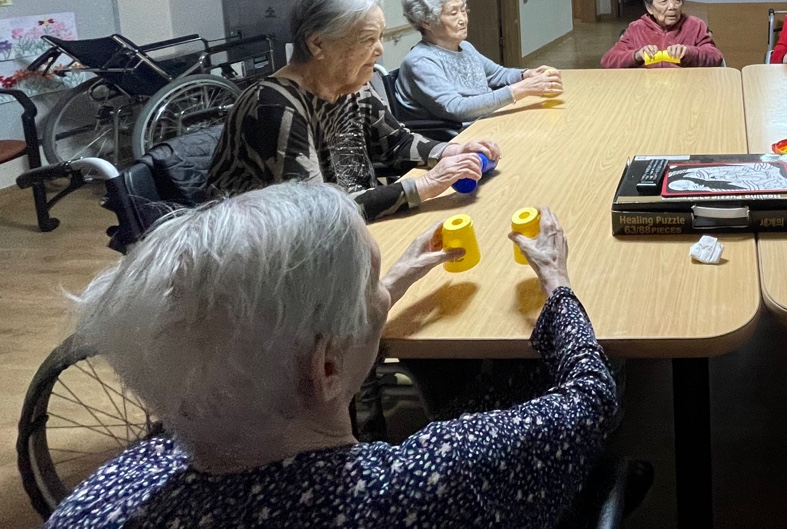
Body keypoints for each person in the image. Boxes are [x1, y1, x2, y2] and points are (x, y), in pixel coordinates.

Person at [47, 182, 619, 529]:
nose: (381, 293)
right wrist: (556, 281)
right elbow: (591, 395)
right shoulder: (423, 482)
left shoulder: (97, 500)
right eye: (371, 285)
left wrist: (382, 286)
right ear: (325, 368)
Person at [208, 0, 500, 220]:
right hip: (266, 252)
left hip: (351, 227)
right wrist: (426, 184)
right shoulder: (274, 106)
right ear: (318, 44)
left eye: (380, 37)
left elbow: (396, 143)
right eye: (367, 39)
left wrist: (451, 151)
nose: (380, 50)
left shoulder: (351, 85)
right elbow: (316, 211)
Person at [395, 0, 562, 125]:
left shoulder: (465, 47)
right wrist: (521, 89)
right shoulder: (420, 62)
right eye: (453, 13)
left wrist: (526, 75)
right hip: (461, 136)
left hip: (488, 122)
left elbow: (496, 74)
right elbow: (456, 108)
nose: (463, 19)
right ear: (426, 22)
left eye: (463, 10)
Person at [601, 0, 724, 68]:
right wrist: (636, 55)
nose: (672, 6)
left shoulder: (695, 26)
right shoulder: (636, 28)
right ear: (649, 7)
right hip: (646, 87)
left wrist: (689, 52)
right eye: (664, 1)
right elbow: (608, 60)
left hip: (685, 86)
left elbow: (715, 56)